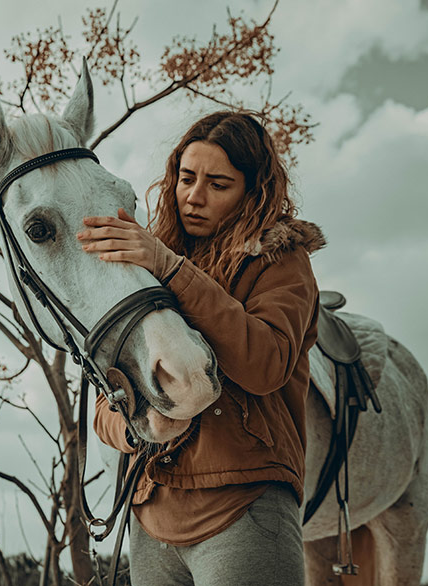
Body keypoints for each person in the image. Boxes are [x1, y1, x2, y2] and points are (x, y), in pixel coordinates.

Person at [76, 111, 325, 585]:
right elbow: (108, 399)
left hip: (244, 501)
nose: (194, 196)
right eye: (186, 178)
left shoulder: (281, 261)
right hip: (151, 516)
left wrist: (171, 269)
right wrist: (134, 427)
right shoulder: (147, 265)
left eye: (218, 183)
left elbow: (264, 363)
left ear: (254, 191)